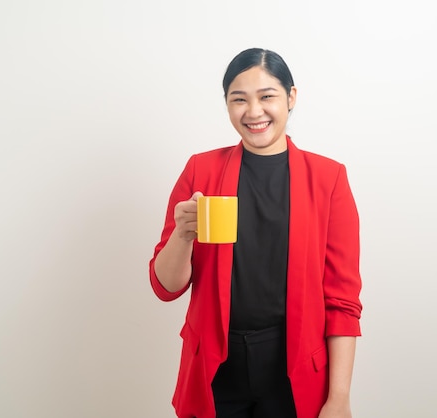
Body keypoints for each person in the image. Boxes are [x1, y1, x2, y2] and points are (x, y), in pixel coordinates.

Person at [149, 48, 362, 418]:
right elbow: (166, 287)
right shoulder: (201, 171)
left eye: (267, 96)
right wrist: (182, 236)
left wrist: (339, 396)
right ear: (227, 105)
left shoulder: (329, 179)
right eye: (239, 99)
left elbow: (342, 302)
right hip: (216, 369)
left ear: (291, 97)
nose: (253, 112)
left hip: (293, 368)